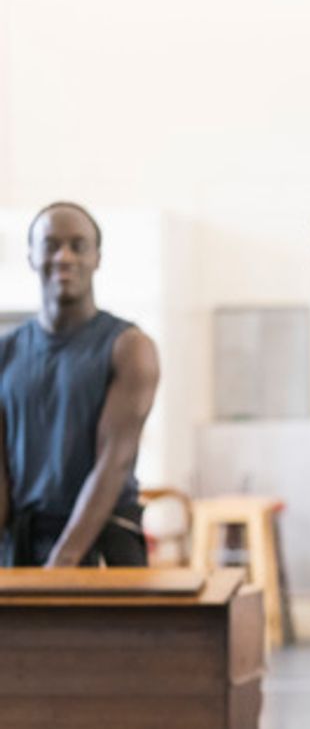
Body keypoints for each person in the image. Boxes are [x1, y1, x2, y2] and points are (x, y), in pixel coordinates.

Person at [0, 202, 160, 567]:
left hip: (104, 541)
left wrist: (62, 563)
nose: (64, 257)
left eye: (78, 245)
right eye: (51, 245)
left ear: (97, 258)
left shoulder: (130, 347)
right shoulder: (6, 352)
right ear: (31, 256)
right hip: (24, 542)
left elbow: (113, 462)